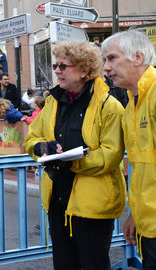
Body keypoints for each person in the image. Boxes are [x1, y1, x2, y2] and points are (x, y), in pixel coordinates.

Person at [24, 41, 126, 270]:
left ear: (84, 70)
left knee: (94, 264)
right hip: (58, 198)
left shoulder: (109, 106)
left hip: (93, 203)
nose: (57, 70)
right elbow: (31, 139)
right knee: (63, 264)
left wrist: (74, 161)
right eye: (55, 65)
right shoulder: (52, 101)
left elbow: (111, 154)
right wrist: (42, 148)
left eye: (64, 66)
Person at [102, 30, 156, 269]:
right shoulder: (130, 107)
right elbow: (143, 170)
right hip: (148, 225)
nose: (105, 68)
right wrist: (136, 214)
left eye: (112, 58)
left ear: (137, 57)